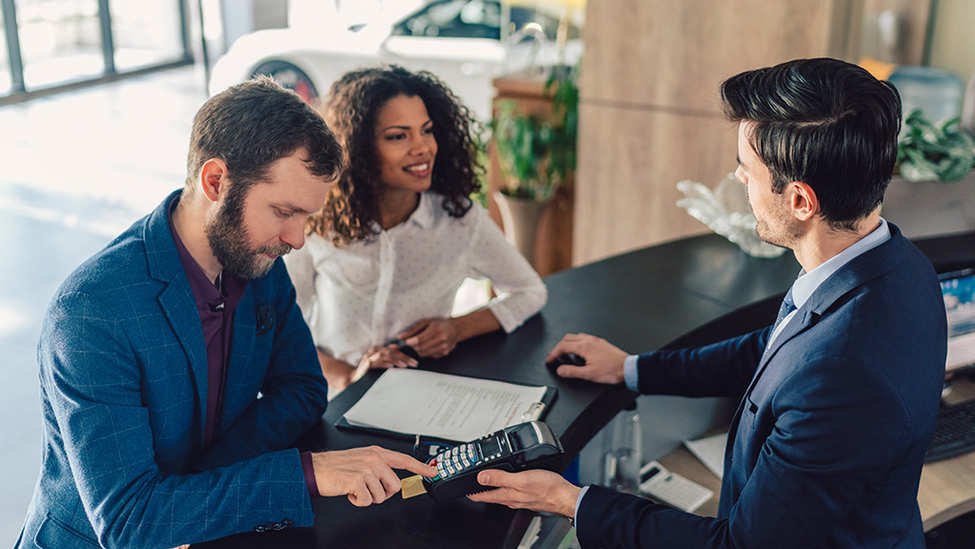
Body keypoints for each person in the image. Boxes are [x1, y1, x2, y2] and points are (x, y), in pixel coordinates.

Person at [469, 57, 948, 548]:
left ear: (801, 201)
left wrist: (571, 502)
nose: (739, 180)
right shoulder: (897, 264)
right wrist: (633, 369)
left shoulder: (843, 371)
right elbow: (779, 349)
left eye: (748, 170)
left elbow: (738, 546)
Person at [15, 77, 435, 549]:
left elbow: (303, 389)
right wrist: (302, 473)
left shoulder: (260, 261)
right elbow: (132, 522)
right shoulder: (92, 314)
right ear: (215, 182)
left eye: (306, 218)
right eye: (283, 211)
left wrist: (196, 490)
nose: (297, 240)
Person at [284, 65, 547, 395]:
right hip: (331, 397)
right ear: (358, 147)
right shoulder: (316, 220)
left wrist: (456, 329)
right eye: (398, 136)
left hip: (418, 396)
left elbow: (529, 292)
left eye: (427, 130)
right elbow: (283, 330)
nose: (422, 147)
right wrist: (347, 377)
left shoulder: (460, 219)